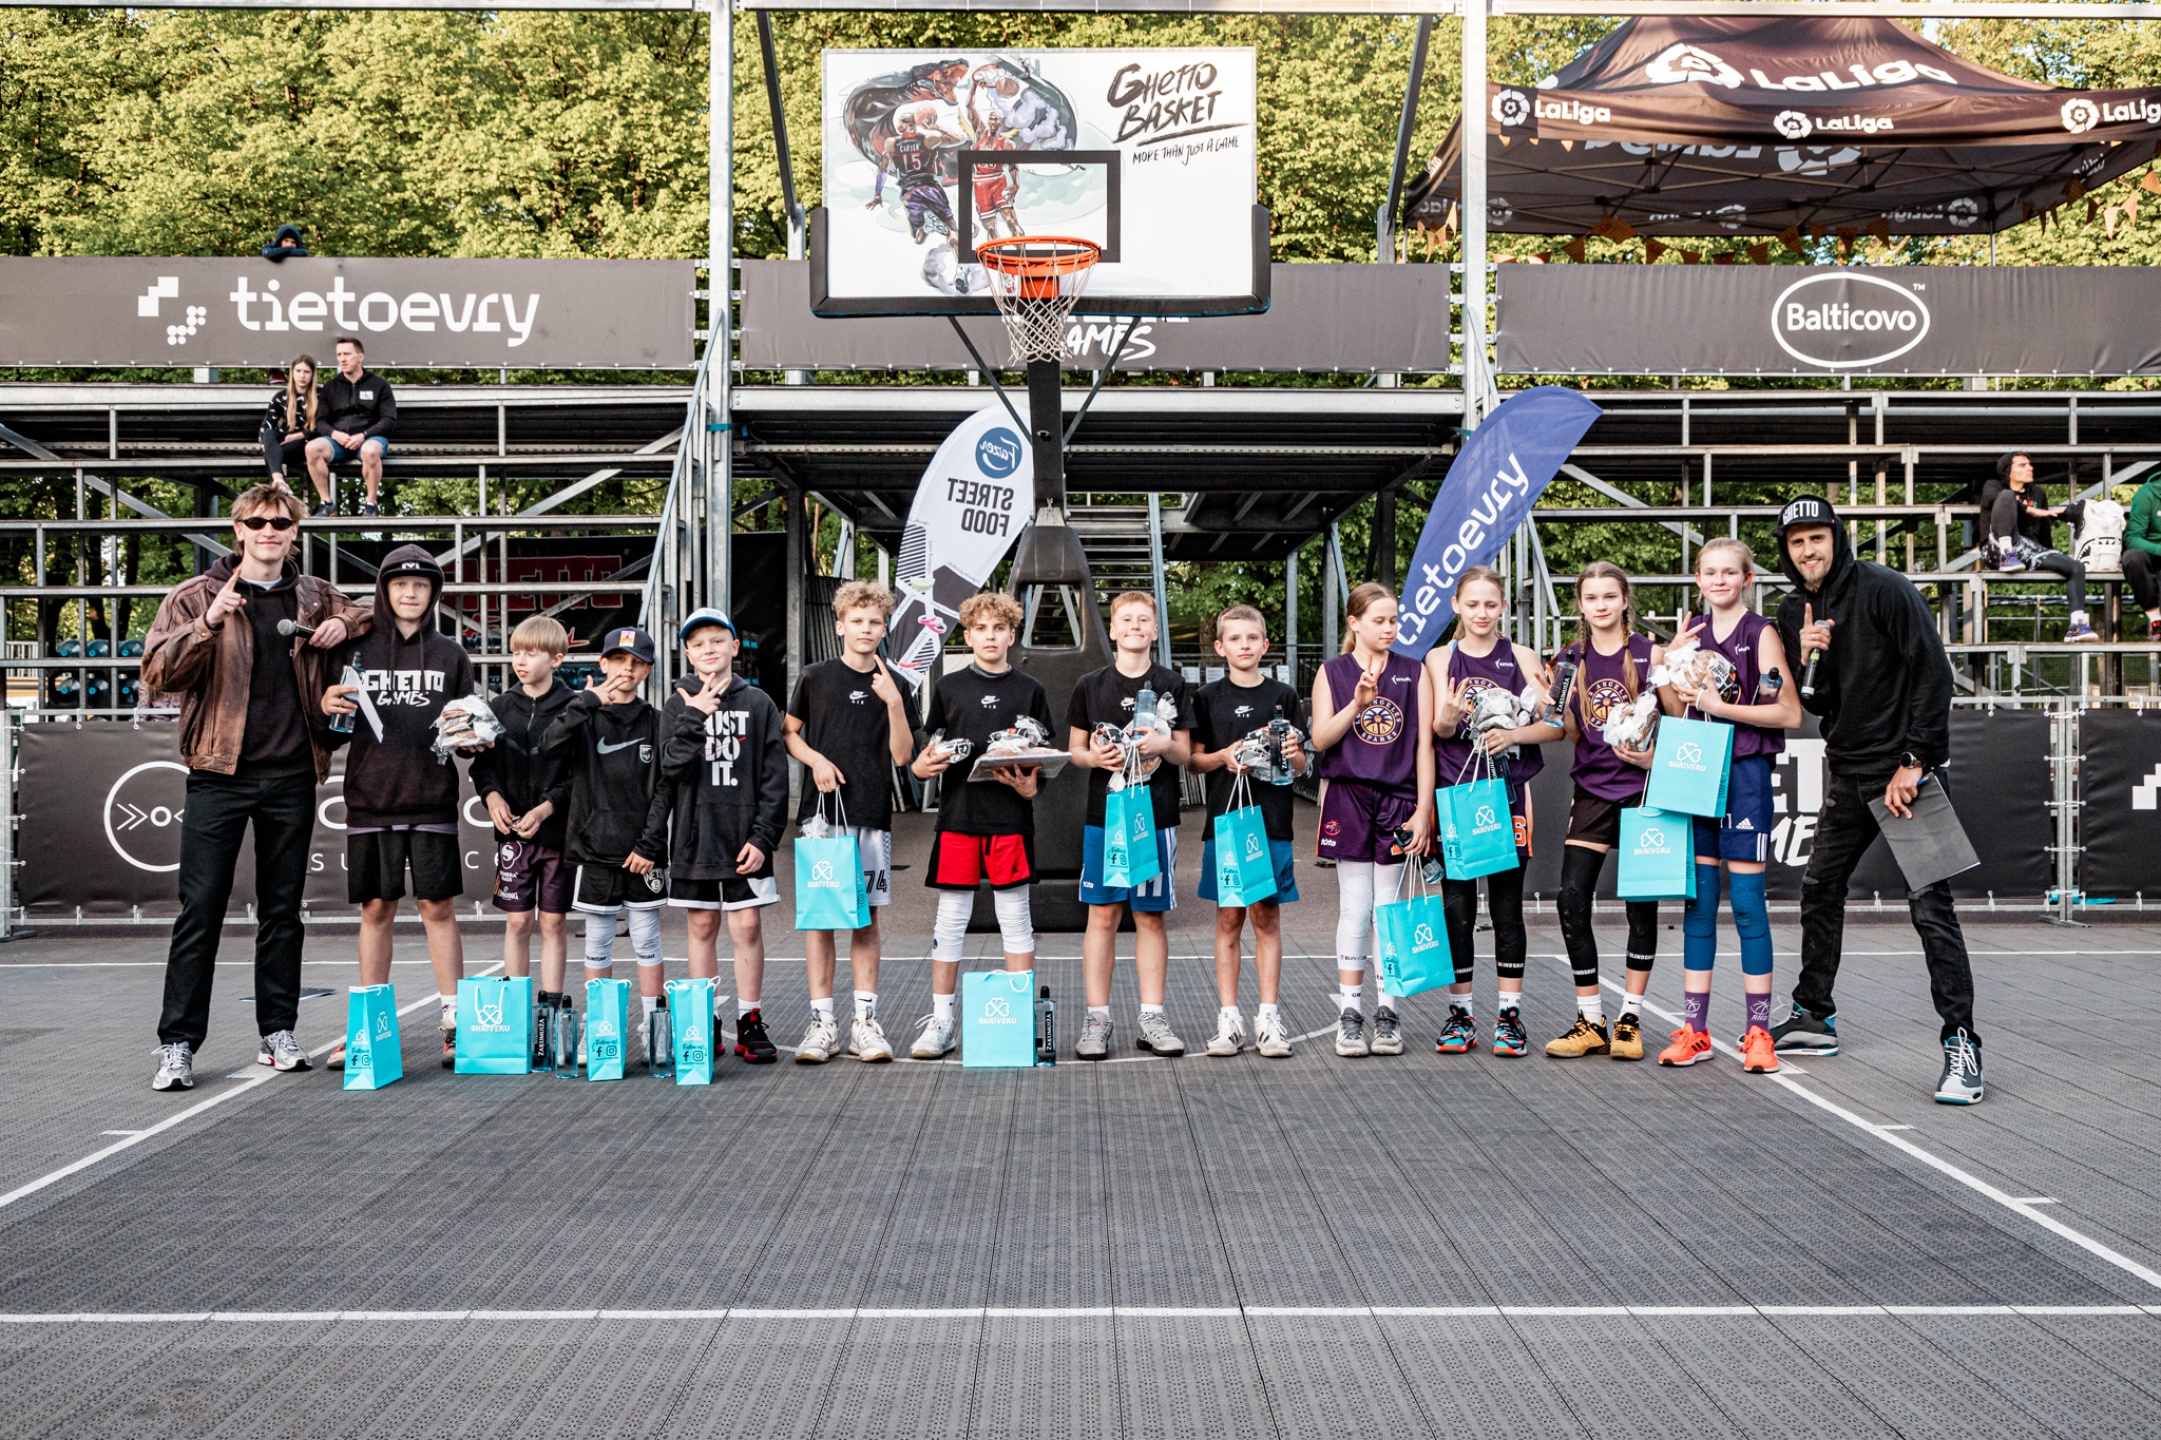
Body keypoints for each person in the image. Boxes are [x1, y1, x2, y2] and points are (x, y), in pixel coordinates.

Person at [142, 483, 367, 1091]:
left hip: (291, 775)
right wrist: (208, 624)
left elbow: (367, 612)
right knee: (200, 910)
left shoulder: (315, 594)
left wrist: (340, 623)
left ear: (294, 532)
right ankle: (177, 1044)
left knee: (282, 912)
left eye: (281, 523)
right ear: (238, 529)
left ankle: (278, 1031)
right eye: (259, 522)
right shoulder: (195, 595)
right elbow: (157, 672)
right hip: (218, 775)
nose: (270, 531)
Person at [1771, 495, 1985, 1104]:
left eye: (1817, 538)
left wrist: (1915, 762)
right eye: (1796, 542)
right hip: (1849, 771)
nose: (1808, 551)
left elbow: (1933, 673)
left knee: (1931, 907)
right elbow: (1817, 704)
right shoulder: (1792, 610)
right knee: (1819, 888)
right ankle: (1815, 1016)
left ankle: (1962, 1044)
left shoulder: (1886, 588)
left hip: (1905, 773)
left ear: (1836, 537)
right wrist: (1806, 658)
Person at [319, 547, 476, 1070]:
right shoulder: (355, 652)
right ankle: (369, 1026)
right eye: (400, 584)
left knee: (438, 908)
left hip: (432, 800)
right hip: (371, 801)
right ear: (384, 591)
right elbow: (330, 730)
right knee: (376, 909)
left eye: (421, 585)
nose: (411, 593)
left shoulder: (452, 655)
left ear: (434, 594)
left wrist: (475, 737)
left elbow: (465, 735)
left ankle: (455, 1022)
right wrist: (324, 708)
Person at [1655, 540, 1802, 1074]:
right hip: (1696, 773)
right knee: (1698, 904)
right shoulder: (1691, 632)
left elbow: (1788, 713)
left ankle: (1758, 1031)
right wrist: (1668, 667)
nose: (1719, 580)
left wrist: (1722, 707)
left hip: (1743, 775)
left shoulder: (1760, 634)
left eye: (1729, 572)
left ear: (1746, 578)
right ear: (1697, 579)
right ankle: (1695, 1030)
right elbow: (1677, 712)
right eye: (1710, 572)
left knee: (1745, 903)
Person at [909, 591, 1052, 1060]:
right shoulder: (949, 687)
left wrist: (1031, 786)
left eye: (999, 629)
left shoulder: (1030, 689)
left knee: (1015, 917)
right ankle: (942, 1021)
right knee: (951, 918)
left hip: (1010, 819)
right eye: (981, 629)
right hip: (959, 816)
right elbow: (929, 754)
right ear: (967, 636)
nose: (990, 637)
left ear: (1012, 635)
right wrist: (922, 768)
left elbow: (1041, 759)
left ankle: (1019, 1021)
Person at [1424, 566, 1560, 1059]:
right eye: (1472, 604)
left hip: (1507, 795)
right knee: (1457, 910)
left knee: (1506, 909)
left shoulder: (1521, 656)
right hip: (1457, 796)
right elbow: (1437, 730)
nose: (1481, 613)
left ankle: (1510, 1016)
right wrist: (1448, 718)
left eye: (1490, 604)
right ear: (1456, 606)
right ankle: (1461, 1015)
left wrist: (1514, 734)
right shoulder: (1440, 658)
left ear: (1503, 606)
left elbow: (1555, 726)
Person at [785, 582, 920, 1064]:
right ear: (840, 625)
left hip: (871, 814)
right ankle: (822, 1022)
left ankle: (865, 1021)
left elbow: (902, 756)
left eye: (874, 622)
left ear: (885, 629)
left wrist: (893, 702)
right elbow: (789, 733)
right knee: (821, 918)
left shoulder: (896, 683)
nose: (866, 629)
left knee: (867, 917)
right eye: (857, 621)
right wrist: (816, 760)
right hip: (821, 819)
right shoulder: (815, 677)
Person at [1067, 590, 1194, 1061]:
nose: (1135, 626)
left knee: (1150, 916)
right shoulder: (1090, 684)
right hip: (1105, 817)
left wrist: (1162, 744)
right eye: (1126, 619)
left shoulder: (1172, 684)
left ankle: (1152, 1017)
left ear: (1155, 630)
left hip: (1155, 817)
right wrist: (1095, 757)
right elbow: (1075, 751)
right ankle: (1097, 1018)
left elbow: (1185, 753)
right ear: (1113, 629)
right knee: (1102, 915)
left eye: (1144, 619)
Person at [1309, 582, 1434, 1060]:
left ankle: (1387, 1014)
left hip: (1398, 799)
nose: (1389, 628)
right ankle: (1350, 1014)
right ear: (1354, 623)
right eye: (1379, 620)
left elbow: (1424, 746)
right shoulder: (1332, 672)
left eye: (1394, 620)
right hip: (1349, 797)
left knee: (1388, 910)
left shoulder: (1413, 671)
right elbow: (1321, 739)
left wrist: (1423, 810)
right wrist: (1357, 705)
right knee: (1355, 908)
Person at [660, 608, 789, 1063]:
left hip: (744, 838)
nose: (709, 649)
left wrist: (763, 837)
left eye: (718, 640)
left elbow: (775, 780)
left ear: (734, 646)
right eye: (698, 644)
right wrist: (694, 715)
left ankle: (749, 1019)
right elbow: (669, 768)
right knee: (701, 925)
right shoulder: (676, 703)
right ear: (688, 653)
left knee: (747, 925)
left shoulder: (759, 703)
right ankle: (704, 1018)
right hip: (695, 836)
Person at [544, 626, 675, 1064]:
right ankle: (601, 1028)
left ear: (647, 671)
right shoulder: (583, 713)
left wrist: (651, 844)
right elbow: (547, 749)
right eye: (619, 660)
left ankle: (655, 1031)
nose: (626, 669)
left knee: (647, 937)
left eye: (636, 663)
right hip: (594, 847)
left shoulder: (657, 721)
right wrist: (586, 701)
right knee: (597, 939)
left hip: (643, 852)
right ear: (602, 664)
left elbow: (666, 789)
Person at [1551, 562, 1665, 1061]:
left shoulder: (1649, 653)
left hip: (1644, 792)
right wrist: (1552, 705)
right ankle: (1591, 1019)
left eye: (1609, 596)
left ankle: (1630, 1019)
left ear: (1624, 601)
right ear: (1581, 604)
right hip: (1593, 792)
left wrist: (1655, 757)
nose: (1600, 605)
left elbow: (1678, 720)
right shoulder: (1568, 659)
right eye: (1591, 597)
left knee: (1641, 906)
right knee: (1571, 899)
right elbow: (1571, 732)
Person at [1187, 605, 1308, 1059]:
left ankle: (1269, 1019)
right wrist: (1224, 757)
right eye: (1235, 639)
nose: (1244, 645)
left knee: (1266, 918)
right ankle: (1229, 1018)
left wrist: (1293, 753)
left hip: (1271, 822)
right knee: (1228, 918)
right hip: (1226, 823)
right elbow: (1193, 761)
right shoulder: (1206, 697)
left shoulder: (1284, 696)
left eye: (1252, 638)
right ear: (1220, 647)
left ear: (1265, 644)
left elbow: (1300, 766)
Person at [468, 615, 575, 1004]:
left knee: (553, 922)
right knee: (517, 922)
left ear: (557, 659)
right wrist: (492, 797)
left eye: (531, 653)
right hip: (512, 837)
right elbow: (482, 766)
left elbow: (579, 776)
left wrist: (547, 808)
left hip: (558, 836)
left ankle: (552, 1007)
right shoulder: (498, 707)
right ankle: (513, 1010)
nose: (521, 661)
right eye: (516, 652)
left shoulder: (574, 709)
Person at [1980, 452, 2097, 642]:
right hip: (1996, 547)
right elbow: (1994, 499)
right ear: (2008, 471)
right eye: (2022, 465)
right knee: (2007, 496)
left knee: (2076, 567)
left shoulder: (2038, 493)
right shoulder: (1993, 486)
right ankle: (2007, 555)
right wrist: (2030, 510)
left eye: (2029, 464)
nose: (2030, 468)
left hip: (2030, 550)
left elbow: (2044, 530)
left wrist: (2052, 556)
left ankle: (2077, 625)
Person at [307, 336, 395, 518]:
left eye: (347, 354)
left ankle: (371, 505)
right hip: (338, 442)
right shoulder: (331, 387)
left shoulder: (379, 385)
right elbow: (320, 422)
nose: (342, 359)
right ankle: (326, 503)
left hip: (369, 439)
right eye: (339, 355)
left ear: (360, 357)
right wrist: (335, 434)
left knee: (370, 451)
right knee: (311, 448)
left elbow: (389, 420)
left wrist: (364, 435)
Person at [260, 355, 323, 488]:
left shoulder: (321, 396)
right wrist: (264, 442)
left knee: (272, 453)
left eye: (306, 372)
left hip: (307, 441)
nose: (302, 376)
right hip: (285, 437)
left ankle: (277, 486)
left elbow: (324, 426)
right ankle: (279, 480)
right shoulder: (281, 396)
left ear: (312, 374)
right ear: (292, 373)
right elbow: (266, 425)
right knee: (269, 436)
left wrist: (298, 436)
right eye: (298, 371)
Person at [2122, 465, 2161, 642]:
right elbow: (2132, 537)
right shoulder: (2147, 493)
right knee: (2132, 558)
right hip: (2151, 551)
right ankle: (2156, 620)